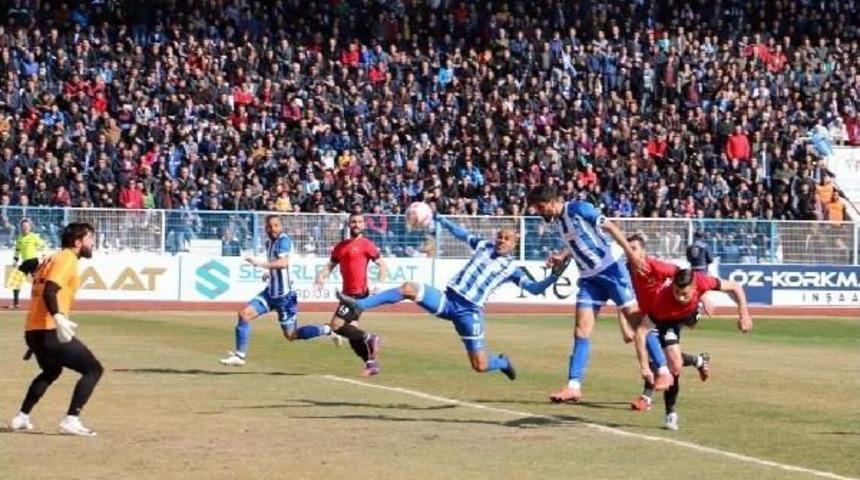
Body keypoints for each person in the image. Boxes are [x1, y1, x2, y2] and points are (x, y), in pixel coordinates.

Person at [337, 214, 567, 379]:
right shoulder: (483, 246)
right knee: (408, 288)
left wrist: (554, 276)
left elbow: (535, 289)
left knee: (480, 365)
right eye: (499, 236)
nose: (500, 240)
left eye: (506, 238)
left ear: (514, 244)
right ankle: (360, 305)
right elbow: (461, 234)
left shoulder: (512, 269)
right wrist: (440, 219)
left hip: (469, 313)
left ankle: (503, 362)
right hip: (448, 300)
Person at [527, 185, 668, 403]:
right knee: (581, 331)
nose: (539, 211)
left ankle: (663, 370)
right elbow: (578, 241)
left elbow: (610, 227)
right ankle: (574, 386)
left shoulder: (579, 208)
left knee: (636, 322)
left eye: (541, 207)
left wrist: (631, 255)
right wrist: (562, 256)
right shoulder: (560, 222)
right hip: (589, 278)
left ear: (553, 202)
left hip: (611, 270)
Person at [9, 222, 103, 436]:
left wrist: (35, 343)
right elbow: (49, 291)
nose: (92, 243)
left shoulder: (51, 259)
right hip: (50, 329)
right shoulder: (67, 258)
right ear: (78, 242)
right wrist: (58, 317)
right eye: (90, 239)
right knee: (93, 370)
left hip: (35, 330)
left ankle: (22, 417)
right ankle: (71, 419)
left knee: (51, 371)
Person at [635, 268, 752, 430]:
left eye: (685, 294)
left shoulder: (702, 281)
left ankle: (697, 360)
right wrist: (644, 367)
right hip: (668, 322)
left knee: (686, 330)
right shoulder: (662, 301)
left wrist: (744, 314)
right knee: (674, 365)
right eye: (676, 292)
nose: (680, 297)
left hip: (690, 314)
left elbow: (736, 287)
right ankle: (671, 413)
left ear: (695, 287)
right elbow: (641, 332)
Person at [220, 215, 337, 366]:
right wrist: (269, 273)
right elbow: (277, 265)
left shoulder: (284, 241)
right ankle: (240, 355)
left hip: (285, 297)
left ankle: (326, 330)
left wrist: (262, 265)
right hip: (270, 293)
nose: (273, 229)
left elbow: (284, 263)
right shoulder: (269, 243)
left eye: (276, 225)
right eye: (270, 226)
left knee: (291, 335)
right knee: (244, 314)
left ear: (280, 227)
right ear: (266, 228)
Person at [624, 234, 711, 412]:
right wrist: (624, 324)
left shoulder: (654, 265)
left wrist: (703, 295)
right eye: (628, 248)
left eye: (634, 248)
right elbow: (621, 300)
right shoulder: (624, 269)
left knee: (658, 357)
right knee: (665, 357)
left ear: (643, 251)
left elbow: (681, 274)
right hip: (649, 316)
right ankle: (698, 360)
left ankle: (646, 398)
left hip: (666, 314)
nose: (630, 252)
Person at [314, 213, 388, 377]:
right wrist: (321, 276)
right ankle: (371, 363)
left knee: (336, 326)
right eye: (353, 221)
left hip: (358, 295)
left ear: (364, 225)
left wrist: (379, 284)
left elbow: (383, 266)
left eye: (359, 222)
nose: (356, 224)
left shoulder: (366, 245)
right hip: (347, 294)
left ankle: (370, 338)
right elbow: (330, 266)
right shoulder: (341, 246)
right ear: (349, 224)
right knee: (352, 333)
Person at [8, 218, 46, 309]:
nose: (25, 227)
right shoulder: (19, 237)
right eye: (23, 226)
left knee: (38, 283)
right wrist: (15, 260)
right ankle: (16, 303)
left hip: (33, 262)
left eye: (26, 226)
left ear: (30, 227)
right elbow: (17, 250)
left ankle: (44, 303)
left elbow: (43, 244)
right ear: (21, 227)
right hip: (25, 263)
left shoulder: (34, 236)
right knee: (16, 281)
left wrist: (43, 255)